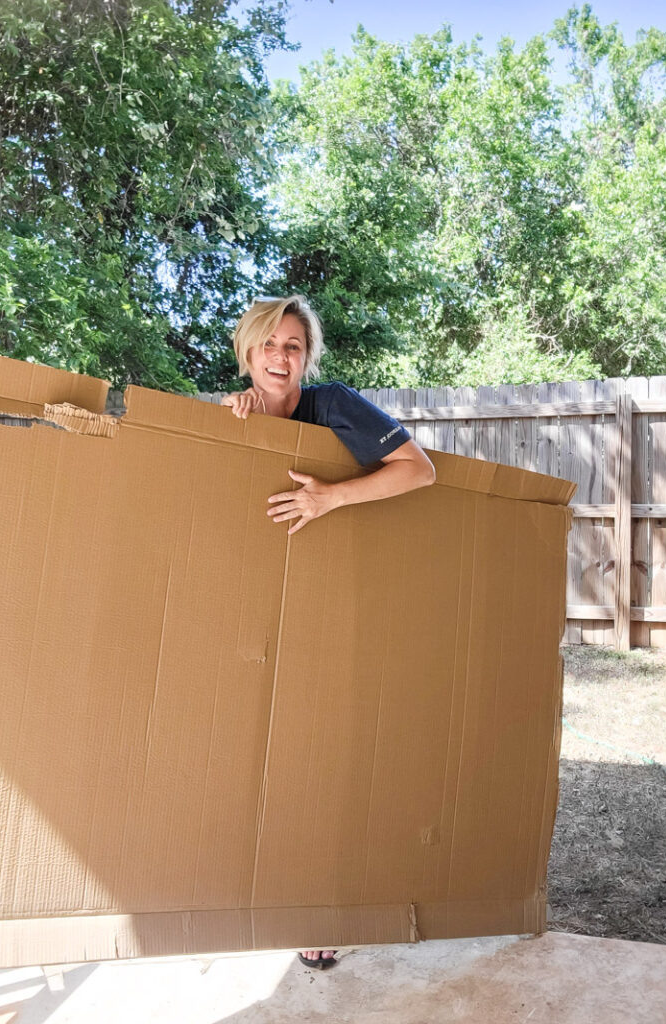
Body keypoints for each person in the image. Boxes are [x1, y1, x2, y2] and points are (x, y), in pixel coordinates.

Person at [221, 295, 436, 969]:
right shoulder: (234, 415)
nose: (280, 358)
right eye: (269, 345)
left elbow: (419, 470)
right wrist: (232, 427)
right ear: (247, 353)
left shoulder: (334, 405)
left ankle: (324, 912)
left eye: (293, 346)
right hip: (253, 611)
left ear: (305, 357)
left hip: (336, 602)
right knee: (258, 758)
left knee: (325, 755)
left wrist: (330, 497)